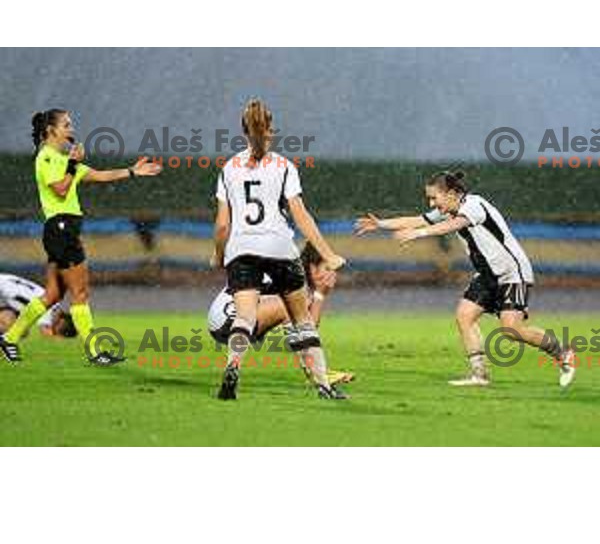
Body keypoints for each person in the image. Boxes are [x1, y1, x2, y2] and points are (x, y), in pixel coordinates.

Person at [355, 170, 576, 388]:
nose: (432, 204)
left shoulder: (474, 205)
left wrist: (418, 234)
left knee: (512, 330)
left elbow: (453, 225)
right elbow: (419, 219)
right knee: (464, 316)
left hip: (511, 273)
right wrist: (381, 224)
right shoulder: (448, 210)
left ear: (451, 193)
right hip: (487, 275)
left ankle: (563, 353)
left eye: (434, 197)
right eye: (429, 199)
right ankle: (480, 375)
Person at [0, 109, 161, 365]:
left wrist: (132, 171)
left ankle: (10, 338)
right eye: (66, 124)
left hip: (62, 231)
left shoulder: (63, 160)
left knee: (52, 295)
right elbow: (62, 191)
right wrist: (73, 164)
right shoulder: (48, 158)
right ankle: (95, 352)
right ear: (51, 130)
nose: (71, 129)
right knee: (80, 293)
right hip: (61, 229)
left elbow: (100, 175)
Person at [212, 98, 346, 400]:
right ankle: (324, 385)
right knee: (301, 320)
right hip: (279, 247)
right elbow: (300, 215)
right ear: (269, 131)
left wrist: (218, 255)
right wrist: (327, 253)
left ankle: (233, 367)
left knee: (244, 318)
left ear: (244, 132)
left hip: (241, 248)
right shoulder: (284, 166)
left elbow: (222, 226)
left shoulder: (228, 169)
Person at [208, 241, 355, 386]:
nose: (333, 276)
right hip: (228, 319)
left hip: (230, 319)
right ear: (313, 268)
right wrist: (320, 295)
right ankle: (317, 374)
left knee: (291, 312)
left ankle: (317, 372)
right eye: (328, 269)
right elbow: (308, 329)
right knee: (286, 307)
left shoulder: (292, 272)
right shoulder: (293, 277)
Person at [0, 273, 77, 338]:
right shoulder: (48, 309)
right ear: (61, 320)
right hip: (3, 288)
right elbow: (45, 333)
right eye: (56, 328)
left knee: (13, 322)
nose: (53, 327)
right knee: (19, 331)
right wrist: (58, 338)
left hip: (4, 282)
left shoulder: (54, 303)